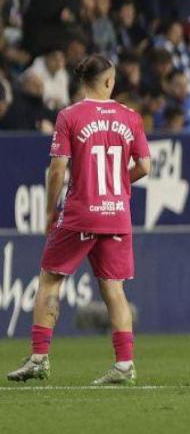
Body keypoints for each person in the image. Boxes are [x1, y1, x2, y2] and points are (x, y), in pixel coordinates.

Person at [6, 55, 151, 386]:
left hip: (81, 212)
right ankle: (125, 364)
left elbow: (58, 169)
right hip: (117, 215)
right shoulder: (131, 117)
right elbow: (145, 166)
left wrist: (49, 211)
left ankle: (39, 358)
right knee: (114, 288)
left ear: (81, 81)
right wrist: (118, 185)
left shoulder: (69, 116)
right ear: (109, 82)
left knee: (50, 279)